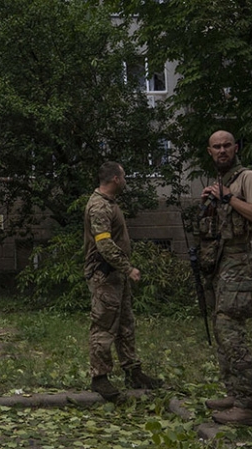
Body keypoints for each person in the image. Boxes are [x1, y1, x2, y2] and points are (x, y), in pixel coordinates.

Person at [197, 130, 252, 426]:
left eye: (227, 145)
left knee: (230, 329)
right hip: (219, 265)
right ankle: (234, 393)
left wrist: (229, 198)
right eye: (217, 147)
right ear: (210, 151)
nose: (222, 150)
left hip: (238, 265)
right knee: (220, 329)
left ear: (236, 147)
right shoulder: (219, 182)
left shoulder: (247, 178)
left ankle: (248, 404)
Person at [83, 161, 162, 402]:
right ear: (116, 179)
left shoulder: (110, 204)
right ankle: (100, 377)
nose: (126, 180)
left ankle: (133, 372)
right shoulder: (99, 206)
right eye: (124, 176)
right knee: (104, 325)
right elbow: (104, 244)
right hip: (104, 275)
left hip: (116, 275)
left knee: (125, 323)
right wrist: (128, 268)